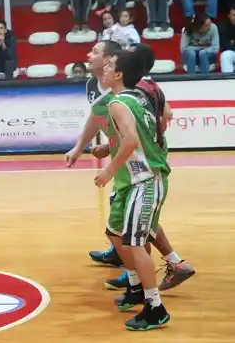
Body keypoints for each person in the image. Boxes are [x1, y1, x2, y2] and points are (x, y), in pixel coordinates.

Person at [66, 41, 194, 292]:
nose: (88, 55)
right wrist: (87, 146)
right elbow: (97, 115)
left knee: (134, 216)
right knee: (126, 218)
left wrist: (141, 141)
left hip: (140, 158)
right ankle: (135, 262)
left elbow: (165, 114)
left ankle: (148, 274)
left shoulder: (139, 85)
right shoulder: (96, 84)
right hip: (126, 152)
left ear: (111, 61)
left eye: (96, 52)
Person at [93, 50, 171, 330]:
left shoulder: (117, 104)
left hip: (146, 178)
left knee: (135, 245)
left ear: (119, 74)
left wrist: (108, 169)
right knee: (123, 238)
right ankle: (142, 292)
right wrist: (109, 147)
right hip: (145, 175)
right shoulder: (137, 97)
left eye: (110, 64)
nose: (104, 66)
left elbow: (131, 141)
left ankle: (155, 307)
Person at [220, 7, 235, 74]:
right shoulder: (222, 27)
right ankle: (227, 81)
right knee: (225, 55)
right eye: (234, 15)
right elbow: (225, 46)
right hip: (232, 53)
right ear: (229, 16)